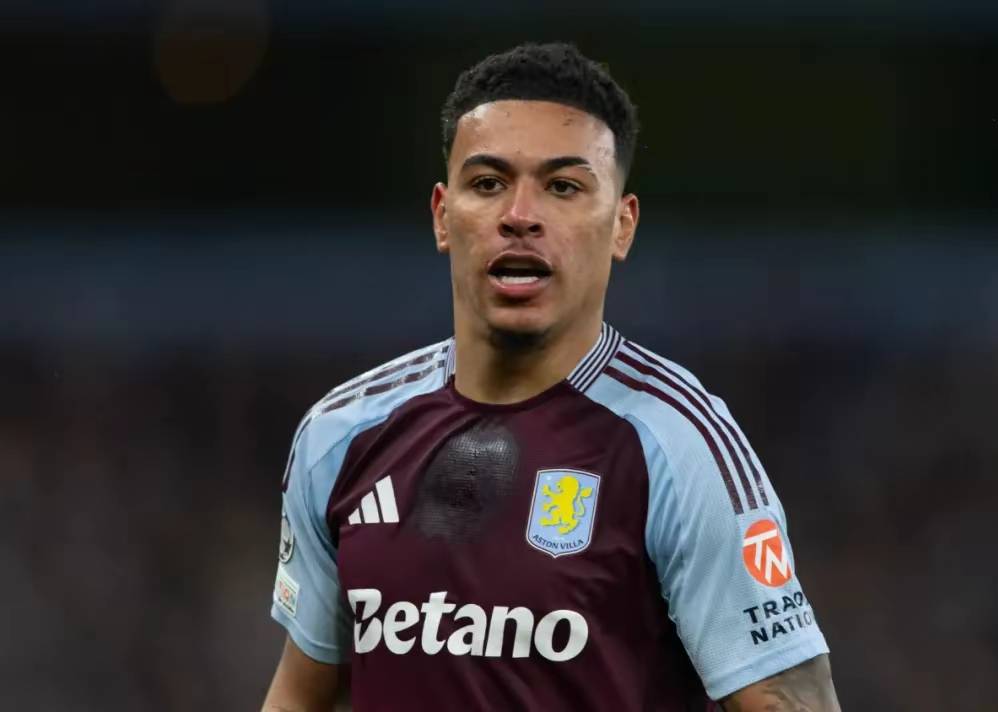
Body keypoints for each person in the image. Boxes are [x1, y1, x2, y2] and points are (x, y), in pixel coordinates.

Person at [262, 42, 839, 712]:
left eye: (563, 187)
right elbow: (302, 692)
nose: (520, 215)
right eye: (488, 183)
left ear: (621, 225)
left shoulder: (678, 444)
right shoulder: (341, 436)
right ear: (442, 215)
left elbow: (789, 699)